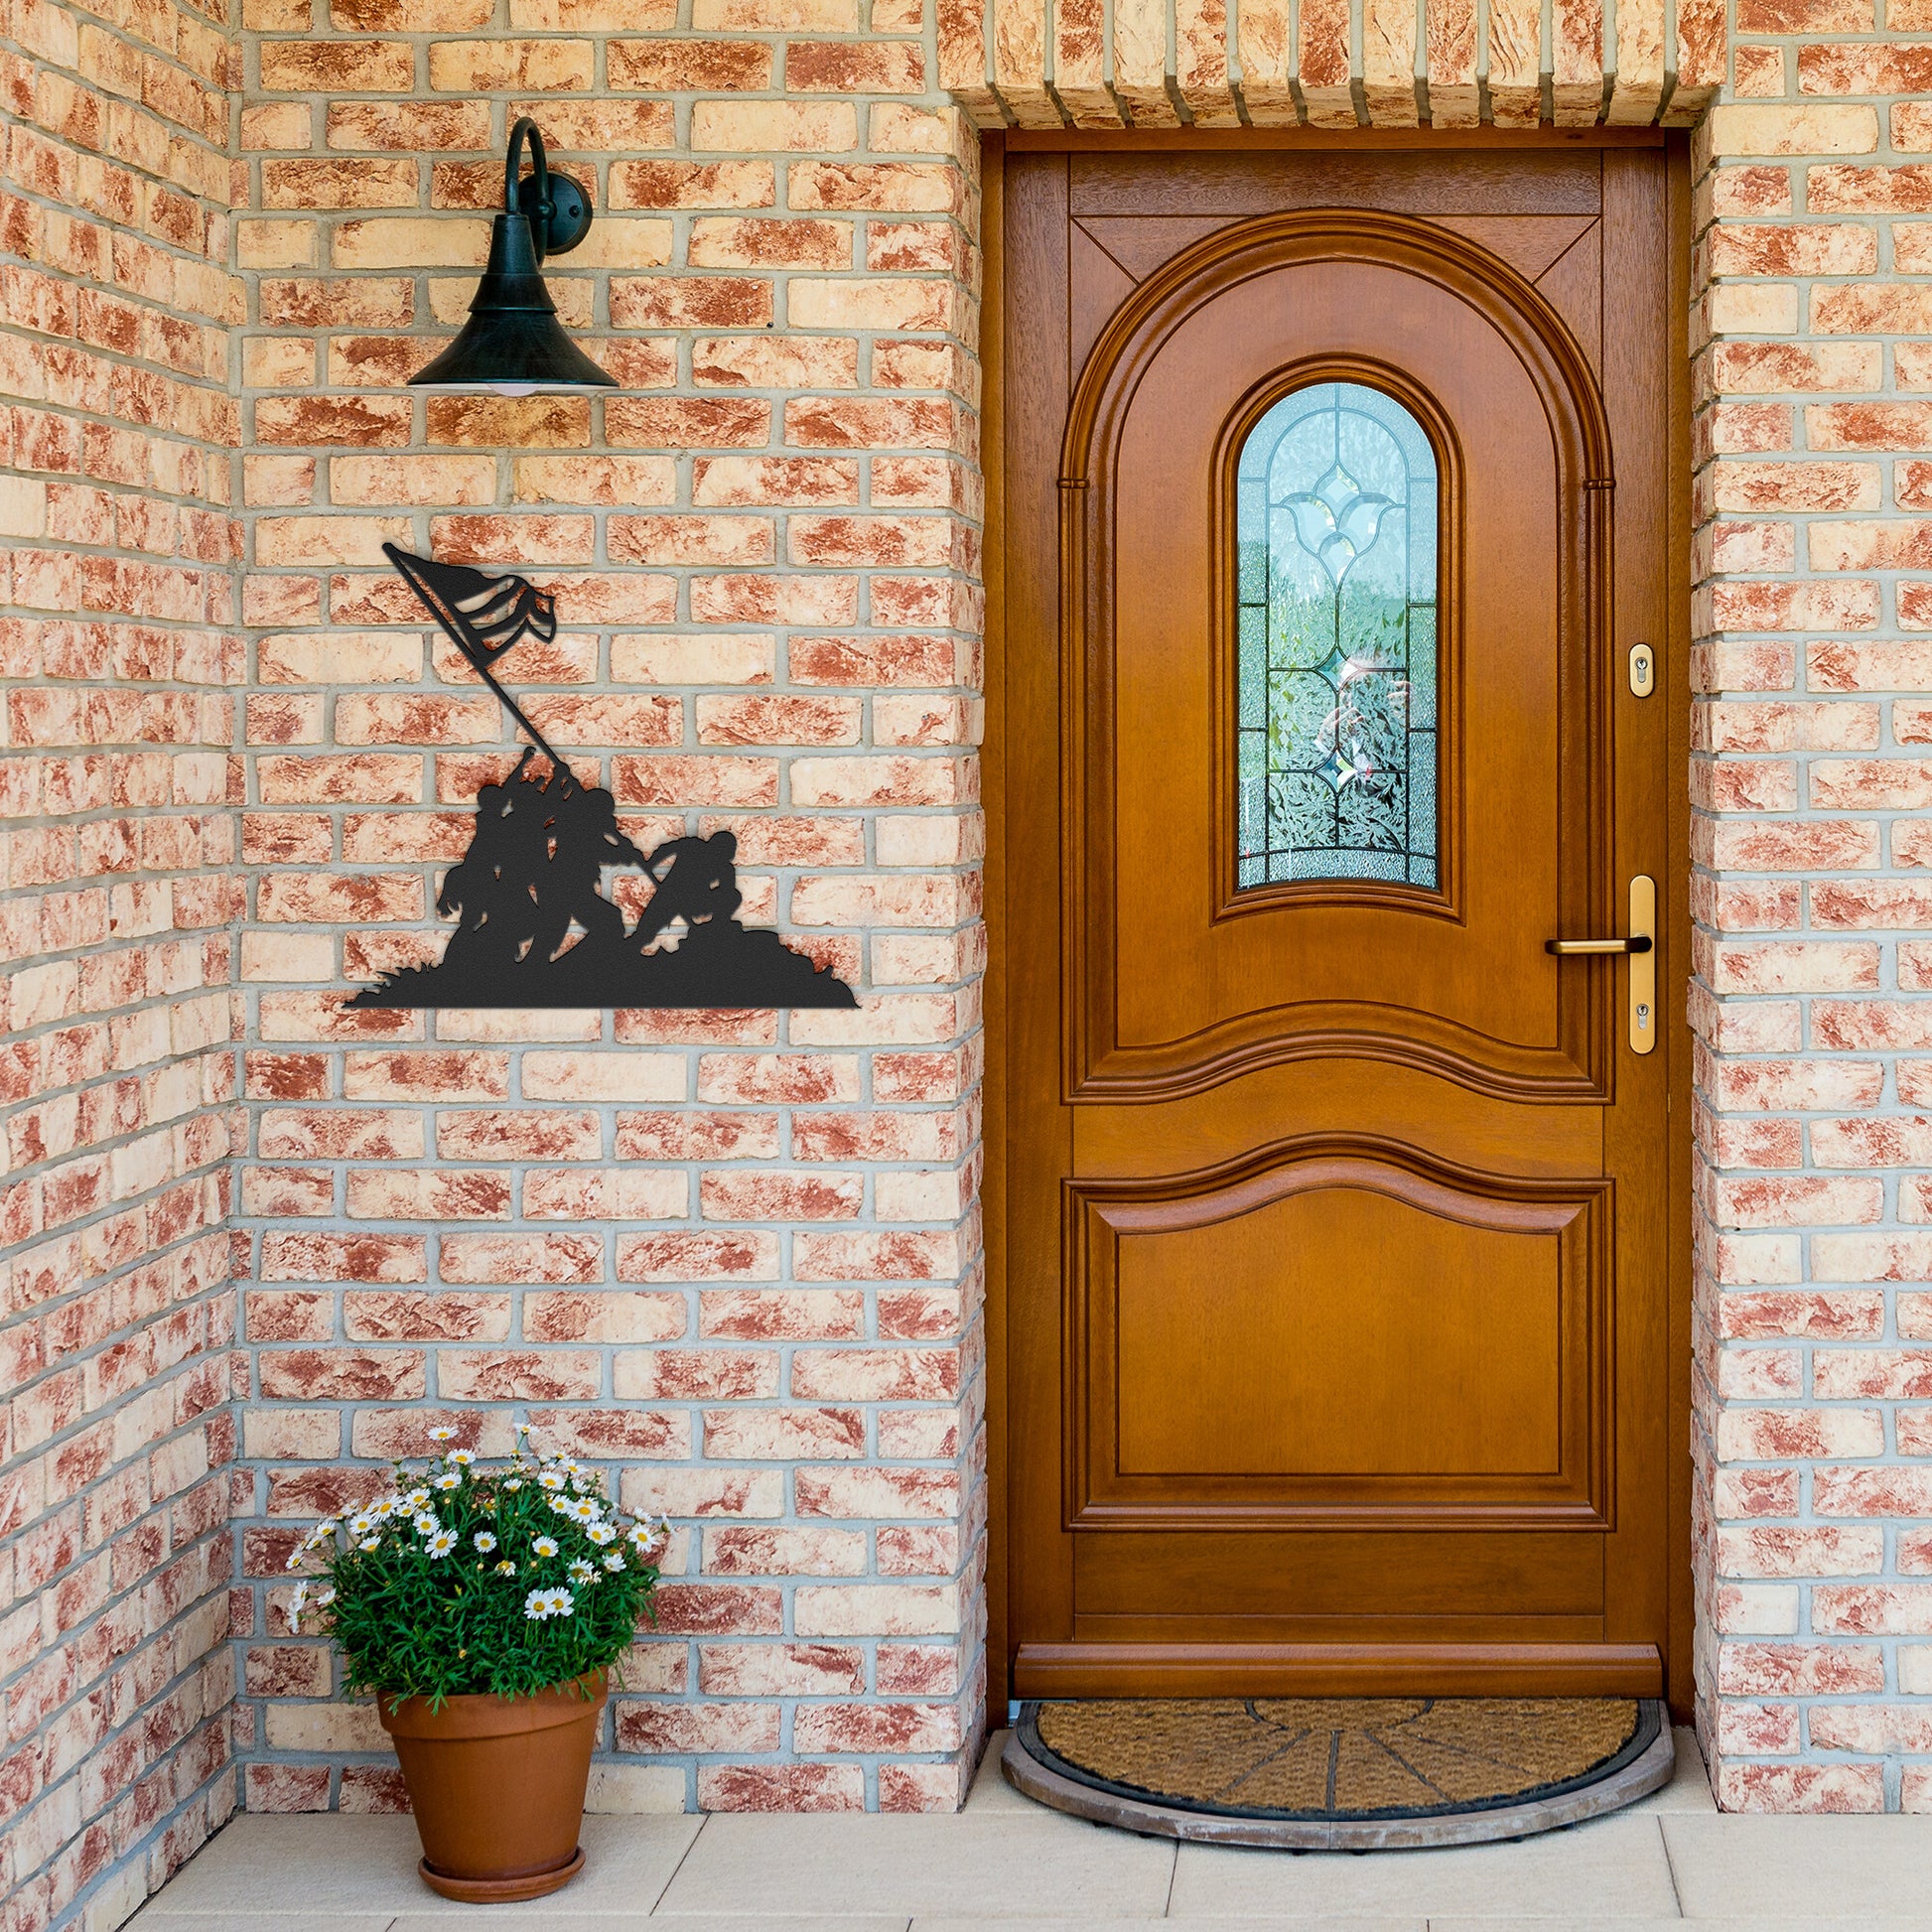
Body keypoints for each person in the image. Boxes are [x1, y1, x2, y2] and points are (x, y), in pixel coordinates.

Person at [630, 830, 743, 950]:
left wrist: (720, 918)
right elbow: (668, 848)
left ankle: (717, 927)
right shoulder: (693, 846)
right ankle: (629, 949)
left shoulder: (725, 869)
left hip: (697, 900)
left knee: (733, 896)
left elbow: (727, 894)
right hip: (669, 895)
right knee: (645, 932)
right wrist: (651, 862)